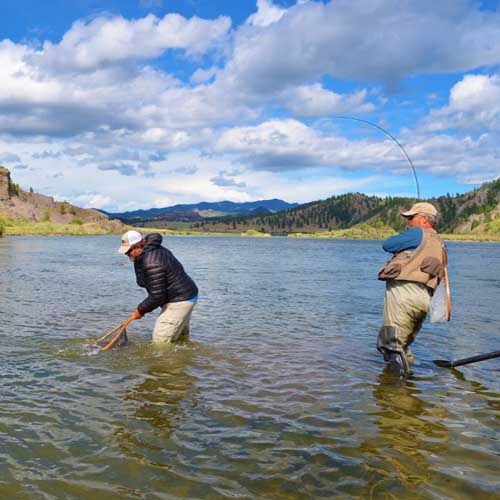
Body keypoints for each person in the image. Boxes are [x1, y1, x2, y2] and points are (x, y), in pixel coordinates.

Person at [377, 202, 444, 376]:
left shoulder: (417, 233)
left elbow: (388, 244)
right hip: (424, 300)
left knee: (390, 345)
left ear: (423, 219)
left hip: (404, 295)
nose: (408, 221)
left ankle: (396, 394)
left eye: (411, 217)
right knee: (402, 347)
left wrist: (408, 235)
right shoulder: (439, 243)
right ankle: (409, 387)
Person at [118, 230, 198, 343]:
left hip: (180, 299)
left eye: (128, 251)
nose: (127, 254)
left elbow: (157, 296)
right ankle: (184, 358)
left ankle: (163, 360)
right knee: (180, 339)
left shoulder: (152, 262)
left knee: (160, 340)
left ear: (138, 246)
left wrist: (140, 310)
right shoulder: (148, 249)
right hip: (186, 293)